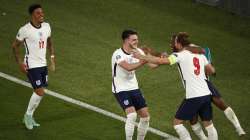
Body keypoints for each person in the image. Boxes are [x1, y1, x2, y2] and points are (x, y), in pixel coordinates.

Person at [133, 32, 218, 140]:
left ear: (178, 43)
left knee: (177, 124)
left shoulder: (179, 55)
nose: (171, 45)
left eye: (173, 42)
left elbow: (161, 61)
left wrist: (141, 56)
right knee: (209, 125)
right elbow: (211, 70)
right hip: (206, 93)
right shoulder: (199, 54)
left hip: (194, 96)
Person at [12, 4, 55, 130]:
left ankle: (29, 116)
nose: (41, 14)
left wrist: (52, 59)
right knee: (40, 92)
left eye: (42, 12)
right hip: (31, 65)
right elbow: (15, 46)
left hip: (43, 64)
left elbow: (50, 42)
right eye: (38, 13)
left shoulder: (47, 26)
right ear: (32, 15)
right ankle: (28, 116)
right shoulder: (25, 30)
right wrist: (20, 63)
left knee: (40, 93)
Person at [111, 29, 151, 140]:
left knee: (145, 117)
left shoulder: (137, 51)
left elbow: (151, 65)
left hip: (134, 87)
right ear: (126, 40)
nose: (136, 42)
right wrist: (143, 61)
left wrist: (161, 59)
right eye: (133, 40)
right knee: (132, 115)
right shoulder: (118, 54)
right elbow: (128, 67)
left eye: (137, 39)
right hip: (120, 88)